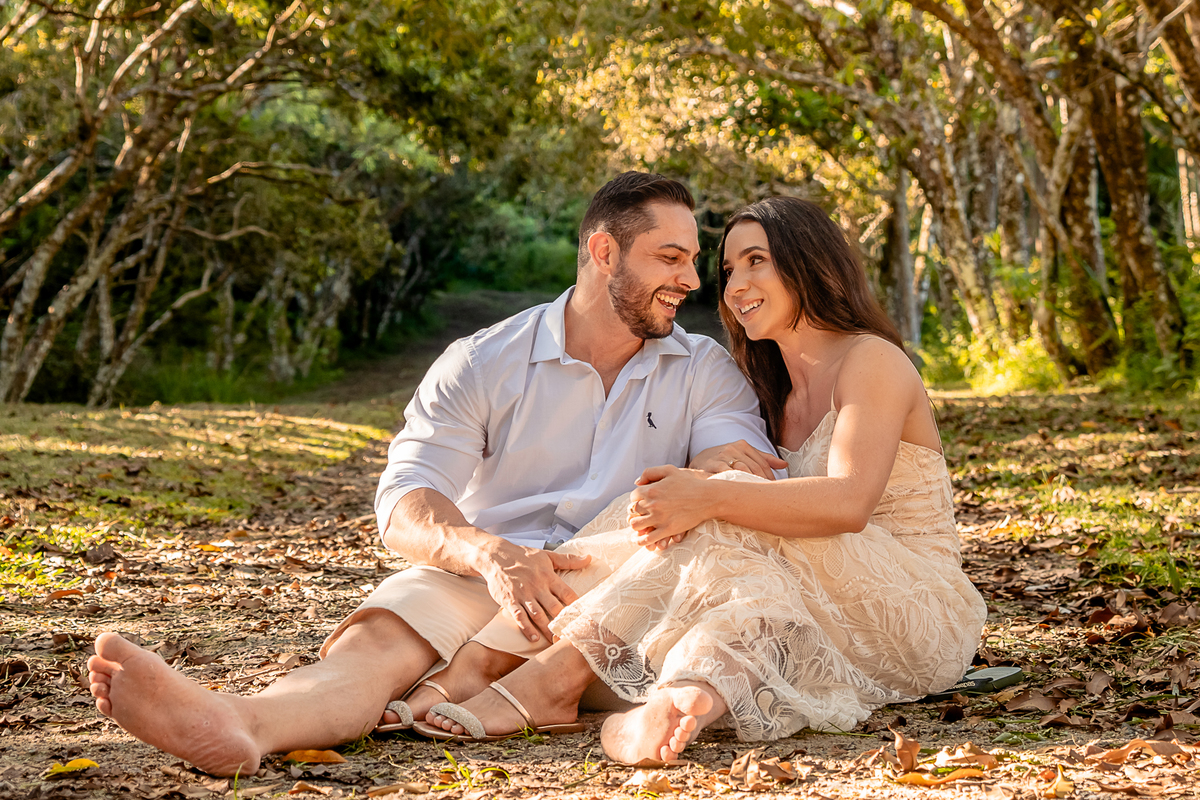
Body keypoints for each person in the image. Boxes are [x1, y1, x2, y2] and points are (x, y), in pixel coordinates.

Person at [84, 172, 780, 777]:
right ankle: (244, 723)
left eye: (692, 260)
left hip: (628, 585)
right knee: (377, 645)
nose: (691, 280)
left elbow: (738, 469)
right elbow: (406, 500)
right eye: (670, 257)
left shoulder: (703, 370)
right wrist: (490, 554)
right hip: (486, 577)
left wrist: (709, 471)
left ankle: (503, 681)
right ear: (604, 253)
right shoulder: (481, 362)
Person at [414, 196, 989, 765]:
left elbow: (849, 502)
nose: (735, 284)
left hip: (914, 600)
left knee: (719, 516)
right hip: (824, 600)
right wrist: (703, 488)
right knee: (740, 587)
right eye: (729, 270)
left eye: (756, 260)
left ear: (810, 261)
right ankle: (678, 700)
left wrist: (710, 493)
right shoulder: (771, 387)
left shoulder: (872, 360)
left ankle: (528, 677)